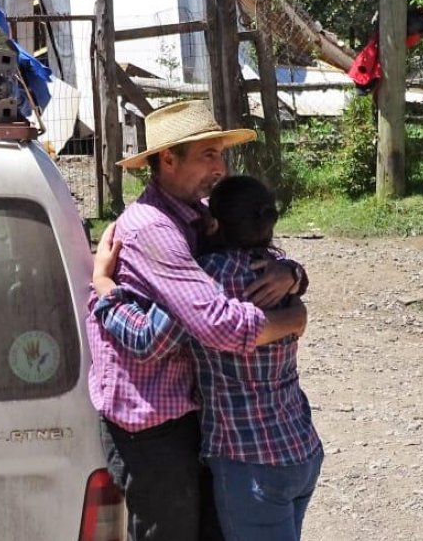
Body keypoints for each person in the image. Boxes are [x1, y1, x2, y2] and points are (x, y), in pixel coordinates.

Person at [86, 100, 309, 541]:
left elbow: (252, 255)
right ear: (168, 159)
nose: (220, 168)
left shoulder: (197, 215)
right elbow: (216, 324)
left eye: (221, 154)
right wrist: (294, 319)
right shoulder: (155, 230)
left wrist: (293, 275)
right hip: (153, 423)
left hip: (189, 412)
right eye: (209, 155)